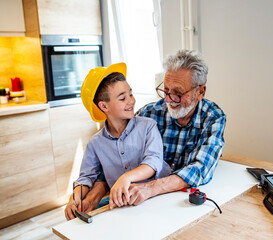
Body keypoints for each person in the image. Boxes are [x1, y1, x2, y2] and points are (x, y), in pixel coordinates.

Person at [65, 50, 226, 219]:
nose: (169, 99)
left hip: (184, 202)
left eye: (178, 93)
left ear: (200, 92)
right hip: (143, 204)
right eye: (166, 90)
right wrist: (90, 198)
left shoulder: (213, 117)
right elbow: (110, 165)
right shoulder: (149, 113)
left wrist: (150, 187)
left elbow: (201, 168)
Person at [64, 63, 171, 220]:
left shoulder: (148, 126)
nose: (131, 101)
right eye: (122, 98)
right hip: (126, 205)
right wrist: (73, 199)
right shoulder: (95, 143)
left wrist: (125, 177)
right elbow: (85, 178)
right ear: (104, 106)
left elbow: (153, 162)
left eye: (131, 94)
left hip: (158, 198)